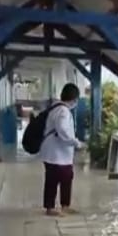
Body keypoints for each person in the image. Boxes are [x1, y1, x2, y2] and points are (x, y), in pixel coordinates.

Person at [38, 83, 85, 216]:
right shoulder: (63, 111)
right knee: (55, 179)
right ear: (74, 99)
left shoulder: (56, 107)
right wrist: (76, 143)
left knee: (65, 178)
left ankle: (64, 205)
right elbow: (63, 130)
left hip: (56, 153)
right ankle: (51, 207)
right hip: (56, 153)